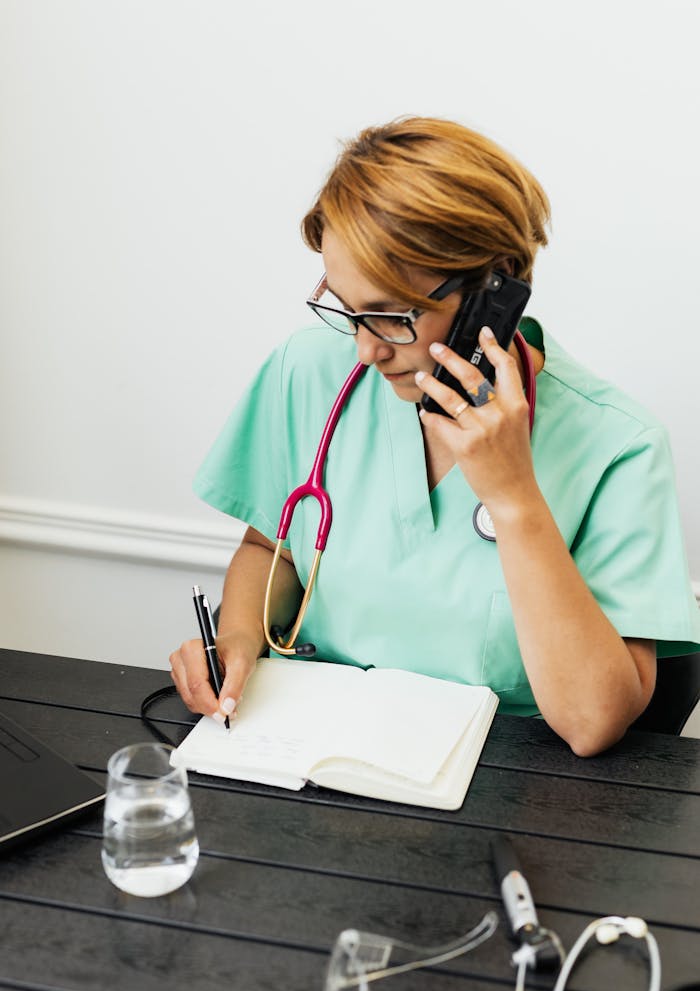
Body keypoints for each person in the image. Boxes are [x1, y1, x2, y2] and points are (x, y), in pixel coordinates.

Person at [170, 116, 700, 757]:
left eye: (393, 315)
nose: (365, 350)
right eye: (346, 307)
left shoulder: (619, 444)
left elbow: (593, 724)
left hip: (502, 785)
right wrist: (236, 639)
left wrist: (513, 499)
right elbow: (271, 548)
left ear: (496, 289)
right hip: (314, 755)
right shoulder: (308, 370)